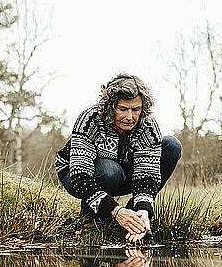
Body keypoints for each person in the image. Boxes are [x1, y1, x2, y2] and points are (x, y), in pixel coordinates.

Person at [55, 73, 182, 242]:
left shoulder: (147, 125)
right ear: (110, 107)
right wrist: (116, 211)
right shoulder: (90, 119)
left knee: (171, 145)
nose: (130, 117)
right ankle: (90, 219)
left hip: (122, 173)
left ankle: (132, 214)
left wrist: (142, 211)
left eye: (136, 109)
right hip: (76, 176)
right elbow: (80, 176)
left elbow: (147, 175)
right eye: (123, 109)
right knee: (109, 171)